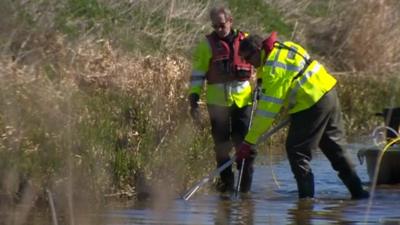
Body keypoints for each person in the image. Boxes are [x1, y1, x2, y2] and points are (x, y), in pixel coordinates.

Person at [236, 33, 370, 199]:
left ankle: (305, 203)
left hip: (311, 103)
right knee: (335, 149)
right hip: (328, 94)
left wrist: (249, 141)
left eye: (248, 58)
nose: (248, 63)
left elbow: (267, 111)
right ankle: (359, 194)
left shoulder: (273, 68)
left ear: (257, 51)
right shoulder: (285, 47)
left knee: (297, 151)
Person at [188, 6, 255, 193]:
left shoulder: (246, 40)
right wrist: (193, 96)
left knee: (246, 149)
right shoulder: (206, 45)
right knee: (221, 149)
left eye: (222, 25)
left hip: (243, 103)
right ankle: (227, 189)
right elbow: (198, 73)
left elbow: (261, 62)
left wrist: (263, 85)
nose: (218, 29)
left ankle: (245, 194)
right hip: (217, 105)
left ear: (230, 21)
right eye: (215, 26)